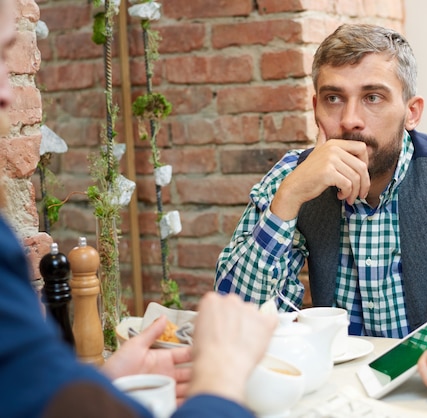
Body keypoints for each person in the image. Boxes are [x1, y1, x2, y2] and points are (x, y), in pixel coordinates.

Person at [215, 23, 427, 395]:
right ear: (315, 108)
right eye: (334, 98)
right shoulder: (292, 179)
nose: (350, 119)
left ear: (412, 112)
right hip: (334, 397)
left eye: (373, 97)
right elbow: (236, 321)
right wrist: (286, 202)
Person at [0, 1, 277, 416]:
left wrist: (105, 384)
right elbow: (240, 297)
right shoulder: (286, 180)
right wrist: (220, 380)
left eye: (5, 56)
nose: (6, 92)